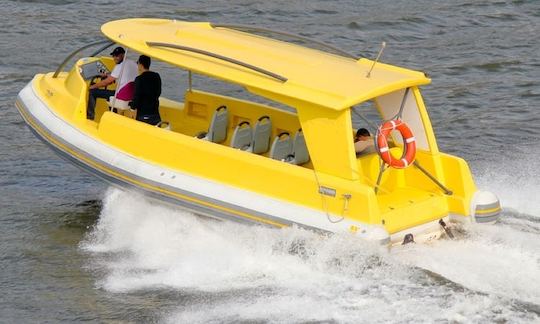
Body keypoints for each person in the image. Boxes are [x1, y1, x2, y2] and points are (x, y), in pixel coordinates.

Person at [86, 46, 138, 120]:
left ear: (123, 55)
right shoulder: (133, 63)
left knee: (92, 92)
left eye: (117, 56)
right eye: (114, 55)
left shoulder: (119, 66)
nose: (115, 58)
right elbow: (121, 76)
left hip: (121, 95)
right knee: (109, 95)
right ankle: (113, 116)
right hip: (131, 95)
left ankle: (90, 116)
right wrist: (108, 75)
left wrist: (93, 86)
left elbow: (106, 82)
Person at [130, 55, 162, 125]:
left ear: (141, 65)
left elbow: (136, 96)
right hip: (156, 115)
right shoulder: (157, 76)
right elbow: (158, 92)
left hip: (143, 115)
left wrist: (132, 108)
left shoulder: (139, 79)